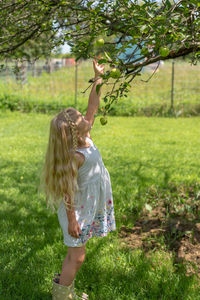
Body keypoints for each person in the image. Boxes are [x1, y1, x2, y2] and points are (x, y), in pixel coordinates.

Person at [39, 58, 116, 300]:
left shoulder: (85, 136)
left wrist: (98, 77)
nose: (87, 117)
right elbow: (67, 190)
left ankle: (65, 293)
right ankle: (61, 296)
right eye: (82, 118)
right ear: (74, 131)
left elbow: (93, 106)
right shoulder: (75, 157)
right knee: (77, 256)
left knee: (77, 254)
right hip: (77, 212)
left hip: (86, 206)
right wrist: (72, 220)